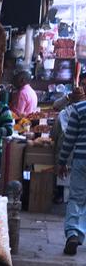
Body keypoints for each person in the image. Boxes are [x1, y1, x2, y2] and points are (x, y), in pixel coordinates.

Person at [56, 92, 86, 255]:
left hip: (81, 159)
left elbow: (69, 139)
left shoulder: (78, 108)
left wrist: (62, 161)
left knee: (76, 197)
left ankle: (73, 234)